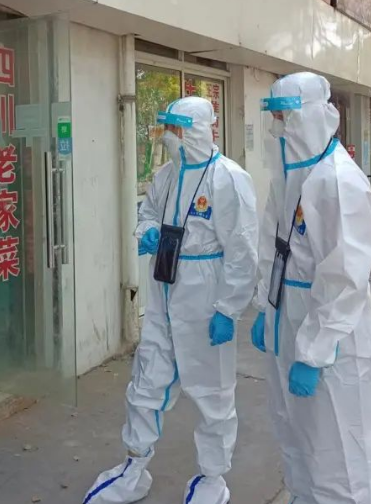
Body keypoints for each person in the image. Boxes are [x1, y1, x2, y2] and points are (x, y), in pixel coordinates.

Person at [83, 96, 259, 504]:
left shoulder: (228, 178)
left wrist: (229, 308)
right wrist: (146, 230)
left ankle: (212, 478)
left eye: (177, 129)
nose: (170, 137)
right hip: (164, 284)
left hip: (205, 290)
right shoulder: (167, 174)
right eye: (168, 128)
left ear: (198, 130)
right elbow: (147, 212)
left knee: (213, 390)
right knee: (148, 378)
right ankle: (134, 466)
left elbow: (243, 250)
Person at [250, 72, 371, 504]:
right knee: (297, 435)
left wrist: (315, 350)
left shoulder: (338, 181)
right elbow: (274, 248)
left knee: (338, 450)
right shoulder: (291, 177)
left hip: (332, 338)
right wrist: (267, 306)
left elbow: (344, 278)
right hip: (288, 317)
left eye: (285, 117)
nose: (277, 129)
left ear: (312, 116)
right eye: (274, 118)